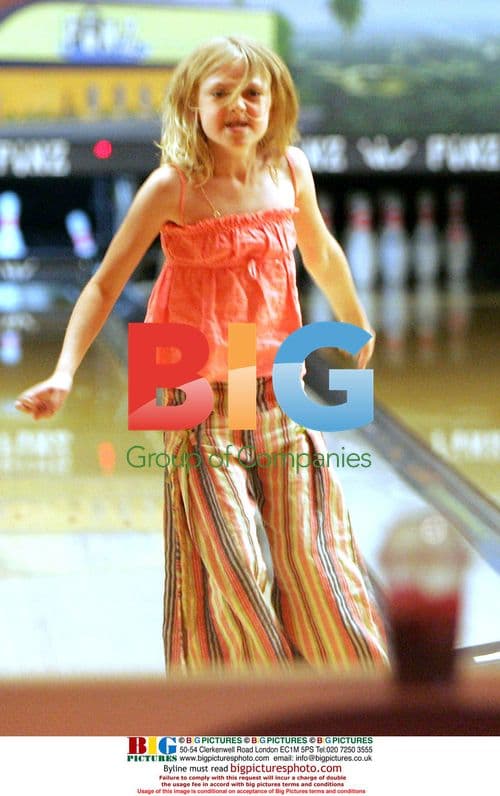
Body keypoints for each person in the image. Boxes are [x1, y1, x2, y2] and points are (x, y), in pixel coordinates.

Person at [16, 36, 388, 673]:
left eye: (253, 93)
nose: (239, 106)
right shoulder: (172, 187)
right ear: (192, 105)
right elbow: (106, 283)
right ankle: (258, 709)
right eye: (220, 93)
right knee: (235, 569)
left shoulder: (291, 170)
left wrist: (357, 324)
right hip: (188, 391)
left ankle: (359, 696)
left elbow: (321, 251)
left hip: (277, 386)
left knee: (314, 559)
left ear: (276, 104)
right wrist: (64, 371)